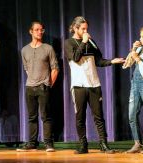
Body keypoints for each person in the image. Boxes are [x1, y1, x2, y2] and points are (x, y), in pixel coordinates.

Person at [65, 16, 124, 154]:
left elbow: (99, 61)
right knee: (80, 117)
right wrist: (84, 42)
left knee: (99, 116)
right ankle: (83, 145)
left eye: (87, 29)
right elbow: (76, 58)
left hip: (94, 84)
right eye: (83, 29)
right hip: (79, 85)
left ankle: (103, 144)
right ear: (75, 28)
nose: (86, 31)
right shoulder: (69, 43)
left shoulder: (91, 42)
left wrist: (112, 61)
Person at [17, 21, 59, 152]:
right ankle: (32, 143)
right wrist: (33, 79)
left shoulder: (48, 48)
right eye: (37, 30)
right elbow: (26, 68)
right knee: (32, 117)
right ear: (31, 31)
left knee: (45, 116)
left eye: (41, 30)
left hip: (43, 86)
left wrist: (48, 84)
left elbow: (55, 68)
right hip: (30, 87)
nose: (40, 32)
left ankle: (48, 143)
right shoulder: (24, 50)